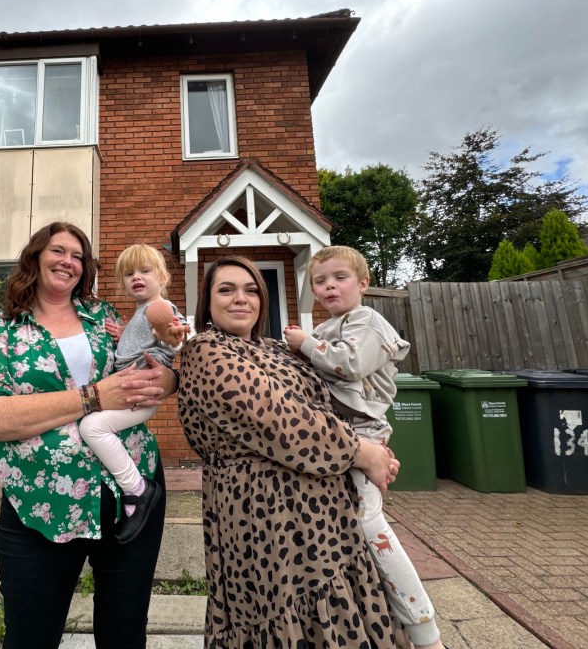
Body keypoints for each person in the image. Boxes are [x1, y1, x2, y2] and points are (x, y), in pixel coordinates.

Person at [177, 255, 408, 649]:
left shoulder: (277, 349)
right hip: (266, 519)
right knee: (284, 619)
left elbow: (335, 396)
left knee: (345, 615)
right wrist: (362, 452)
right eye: (226, 290)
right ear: (207, 302)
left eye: (251, 290)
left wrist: (374, 446)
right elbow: (281, 420)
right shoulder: (207, 350)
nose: (241, 299)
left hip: (329, 516)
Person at [0, 221, 178, 649]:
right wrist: (93, 396)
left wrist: (168, 381)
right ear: (35, 257)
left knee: (124, 631)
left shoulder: (102, 315)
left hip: (131, 497)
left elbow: (149, 363)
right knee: (31, 635)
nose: (69, 261)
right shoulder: (1, 327)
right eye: (59, 251)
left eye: (78, 256)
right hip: (40, 502)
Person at [285, 245, 444, 649]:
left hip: (363, 431)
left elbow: (350, 364)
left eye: (339, 277)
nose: (328, 286)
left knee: (369, 522)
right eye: (319, 281)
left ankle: (425, 628)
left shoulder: (367, 321)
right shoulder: (329, 328)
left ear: (363, 283)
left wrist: (303, 343)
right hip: (341, 434)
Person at [80, 244, 187, 543]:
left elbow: (172, 338)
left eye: (145, 271)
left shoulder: (157, 308)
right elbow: (148, 340)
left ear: (163, 277)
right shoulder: (142, 312)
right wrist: (125, 333)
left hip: (139, 391)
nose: (136, 277)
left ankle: (137, 489)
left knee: (91, 427)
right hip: (133, 389)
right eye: (129, 274)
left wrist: (174, 336)